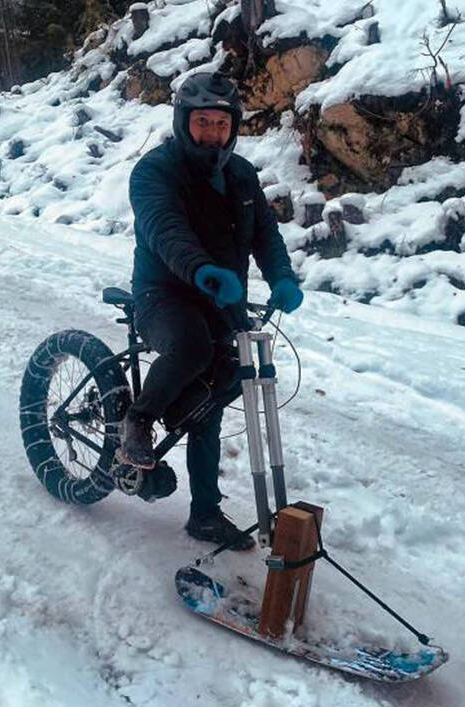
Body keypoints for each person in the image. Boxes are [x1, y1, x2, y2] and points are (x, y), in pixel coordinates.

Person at [124, 71, 303, 550]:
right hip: (164, 295)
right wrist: (202, 268)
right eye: (203, 122)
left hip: (223, 297)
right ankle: (139, 419)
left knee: (221, 388)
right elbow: (166, 230)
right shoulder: (154, 172)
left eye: (221, 125)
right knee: (193, 346)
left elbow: (265, 233)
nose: (213, 133)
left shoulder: (241, 174)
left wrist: (282, 276)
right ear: (184, 122)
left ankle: (205, 514)